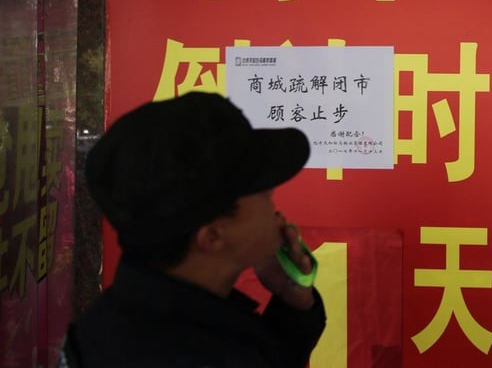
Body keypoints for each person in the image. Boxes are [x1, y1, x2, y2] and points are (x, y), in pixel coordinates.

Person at [62, 92, 326, 367]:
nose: (273, 200)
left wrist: (293, 305)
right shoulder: (197, 354)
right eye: (262, 193)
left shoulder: (120, 321)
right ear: (212, 236)